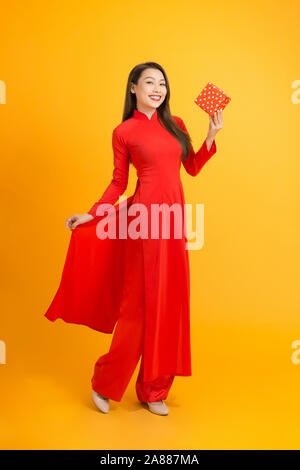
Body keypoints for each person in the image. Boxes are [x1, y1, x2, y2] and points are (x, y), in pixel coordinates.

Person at [44, 61, 223, 416]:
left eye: (162, 84)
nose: (158, 89)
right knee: (139, 309)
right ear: (133, 88)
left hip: (172, 226)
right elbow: (118, 183)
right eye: (150, 83)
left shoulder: (177, 126)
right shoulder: (123, 131)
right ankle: (104, 383)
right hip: (141, 225)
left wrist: (211, 137)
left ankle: (154, 389)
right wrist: (93, 213)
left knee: (170, 307)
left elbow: (192, 168)